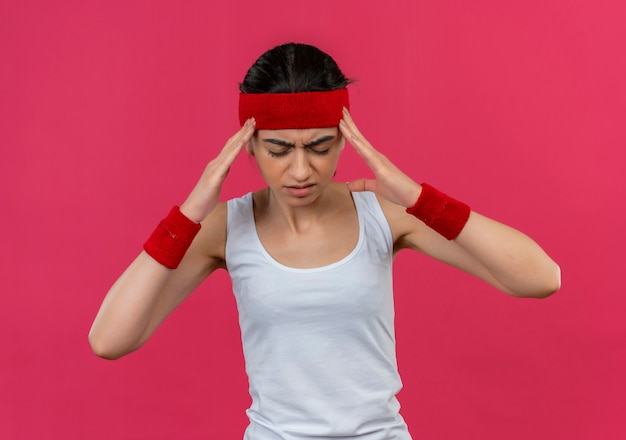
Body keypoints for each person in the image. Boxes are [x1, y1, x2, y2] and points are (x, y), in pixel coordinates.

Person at [89, 43, 561, 439]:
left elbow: (540, 278)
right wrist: (190, 212)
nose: (300, 170)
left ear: (344, 140)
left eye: (320, 147)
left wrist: (418, 196)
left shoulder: (385, 213)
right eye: (278, 150)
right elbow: (109, 340)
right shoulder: (224, 225)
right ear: (248, 145)